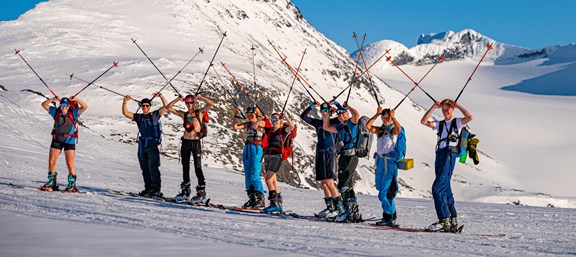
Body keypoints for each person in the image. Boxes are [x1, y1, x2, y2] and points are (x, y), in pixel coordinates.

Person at [420, 98, 473, 232]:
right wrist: (433, 107)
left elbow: (470, 117)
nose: (445, 110)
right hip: (440, 155)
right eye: (443, 108)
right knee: (445, 187)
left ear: (452, 109)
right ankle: (452, 217)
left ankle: (444, 220)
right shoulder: (440, 124)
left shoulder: (458, 122)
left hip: (449, 155)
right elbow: (424, 122)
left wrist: (458, 105)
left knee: (437, 188)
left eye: (448, 108)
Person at [166, 94, 214, 203]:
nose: (189, 104)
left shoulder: (199, 112)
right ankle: (185, 192)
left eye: (191, 102)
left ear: (194, 102)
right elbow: (168, 108)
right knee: (185, 166)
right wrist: (178, 99)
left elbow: (211, 103)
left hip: (195, 142)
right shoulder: (184, 114)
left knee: (197, 167)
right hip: (185, 142)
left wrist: (201, 97)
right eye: (187, 102)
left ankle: (201, 192)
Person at [122, 92, 168, 197]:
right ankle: (148, 189)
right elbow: (125, 113)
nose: (145, 107)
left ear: (150, 106)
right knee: (145, 168)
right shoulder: (139, 117)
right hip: (142, 144)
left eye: (147, 106)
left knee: (153, 168)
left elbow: (166, 106)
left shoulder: (155, 115)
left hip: (152, 144)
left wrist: (160, 96)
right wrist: (125, 101)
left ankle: (156, 190)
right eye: (143, 106)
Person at [322, 102, 362, 222]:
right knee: (346, 185)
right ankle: (352, 212)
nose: (340, 116)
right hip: (344, 156)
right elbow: (326, 127)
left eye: (343, 114)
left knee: (343, 185)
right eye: (339, 115)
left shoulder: (351, 123)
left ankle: (348, 212)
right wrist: (328, 115)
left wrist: (347, 107)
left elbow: (356, 115)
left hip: (351, 156)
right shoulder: (340, 127)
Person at [300, 101, 340, 218]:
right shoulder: (317, 123)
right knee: (323, 182)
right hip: (320, 153)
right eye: (322, 110)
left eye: (326, 110)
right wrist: (312, 106)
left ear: (329, 111)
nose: (324, 112)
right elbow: (303, 116)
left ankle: (339, 207)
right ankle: (330, 207)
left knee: (329, 181)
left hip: (329, 152)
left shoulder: (334, 122)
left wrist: (336, 105)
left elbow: (344, 115)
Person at [40, 96, 88, 192]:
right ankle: (51, 182)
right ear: (60, 105)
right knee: (51, 161)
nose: (64, 107)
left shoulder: (73, 113)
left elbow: (85, 107)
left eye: (66, 105)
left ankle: (71, 185)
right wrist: (52, 99)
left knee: (70, 163)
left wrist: (76, 99)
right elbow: (44, 105)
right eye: (62, 105)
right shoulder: (56, 112)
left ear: (69, 105)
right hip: (57, 139)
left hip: (69, 140)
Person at [366, 106, 402, 227]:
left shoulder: (393, 130)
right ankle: (390, 216)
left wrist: (394, 118)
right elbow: (368, 126)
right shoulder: (380, 130)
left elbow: (399, 129)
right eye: (384, 117)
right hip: (380, 162)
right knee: (381, 190)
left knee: (383, 194)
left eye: (387, 117)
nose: (385, 119)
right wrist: (377, 114)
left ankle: (389, 216)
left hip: (389, 163)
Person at [232, 106, 266, 208]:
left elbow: (258, 121)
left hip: (257, 148)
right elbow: (235, 126)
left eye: (252, 114)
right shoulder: (248, 124)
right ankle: (252, 198)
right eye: (248, 114)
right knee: (247, 175)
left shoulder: (261, 122)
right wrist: (236, 113)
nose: (249, 116)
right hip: (248, 148)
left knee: (254, 174)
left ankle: (260, 197)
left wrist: (257, 109)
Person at [261, 112, 294, 213]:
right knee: (273, 180)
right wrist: (261, 119)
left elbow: (291, 126)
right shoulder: (269, 131)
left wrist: (286, 117)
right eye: (272, 120)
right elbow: (255, 126)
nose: (274, 122)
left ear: (280, 121)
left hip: (277, 156)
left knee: (268, 179)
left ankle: (274, 203)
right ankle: (278, 203)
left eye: (276, 120)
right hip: (268, 155)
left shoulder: (283, 131)